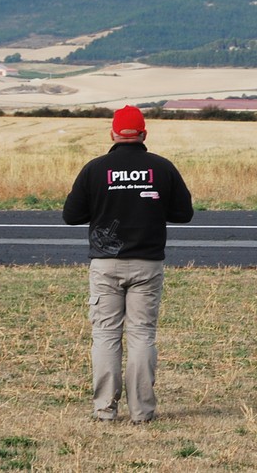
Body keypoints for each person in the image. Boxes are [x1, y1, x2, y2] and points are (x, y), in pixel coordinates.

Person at [63, 105, 193, 423]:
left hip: (105, 265)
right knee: (142, 335)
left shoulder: (95, 169)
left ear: (113, 133)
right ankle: (142, 411)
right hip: (147, 264)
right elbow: (184, 214)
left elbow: (71, 216)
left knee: (106, 335)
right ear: (144, 134)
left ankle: (104, 409)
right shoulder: (162, 168)